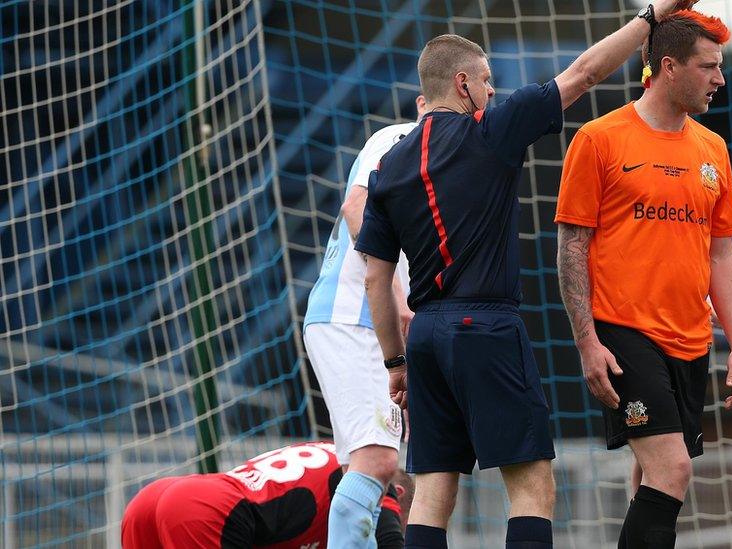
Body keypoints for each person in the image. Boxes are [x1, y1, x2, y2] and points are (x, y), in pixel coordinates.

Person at [354, 2, 699, 548]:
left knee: (433, 491)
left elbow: (376, 279)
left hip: (423, 340)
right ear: (462, 83)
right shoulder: (487, 132)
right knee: (532, 485)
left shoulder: (388, 167)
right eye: (488, 82)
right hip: (485, 327)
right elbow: (584, 73)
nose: (493, 92)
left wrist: (396, 363)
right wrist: (650, 18)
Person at [555, 10, 732, 548]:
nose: (720, 79)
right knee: (673, 472)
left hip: (690, 339)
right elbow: (571, 248)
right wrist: (587, 342)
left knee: (652, 478)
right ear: (668, 66)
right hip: (622, 334)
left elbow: (722, 253)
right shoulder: (599, 140)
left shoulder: (713, 149)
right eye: (709, 66)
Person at [302, 96, 425, 548]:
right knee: (377, 460)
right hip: (353, 317)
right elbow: (356, 208)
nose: (490, 92)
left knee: (383, 469)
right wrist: (396, 297)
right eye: (483, 80)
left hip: (376, 328)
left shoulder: (447, 166)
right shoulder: (401, 137)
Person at [120, 441, 415, 548]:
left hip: (156, 498)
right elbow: (390, 543)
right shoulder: (376, 479)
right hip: (209, 514)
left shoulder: (339, 455)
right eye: (405, 525)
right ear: (398, 495)